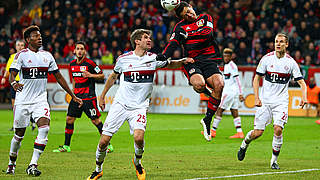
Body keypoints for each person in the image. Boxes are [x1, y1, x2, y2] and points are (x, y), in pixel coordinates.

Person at [87, 29, 194, 180]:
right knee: (104, 140)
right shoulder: (124, 59)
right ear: (137, 41)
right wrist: (102, 96)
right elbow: (112, 76)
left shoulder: (153, 58)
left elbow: (169, 64)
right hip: (121, 104)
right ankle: (98, 169)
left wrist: (183, 61)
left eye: (149, 37)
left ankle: (137, 162)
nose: (149, 39)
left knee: (138, 138)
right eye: (145, 37)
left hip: (139, 106)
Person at [5, 25, 83, 176]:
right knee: (19, 135)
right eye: (35, 36)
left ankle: (33, 164)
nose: (39, 37)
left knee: (45, 128)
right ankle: (11, 163)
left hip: (40, 100)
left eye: (40, 35)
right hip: (23, 101)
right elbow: (11, 74)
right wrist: (14, 83)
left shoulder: (47, 56)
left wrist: (72, 95)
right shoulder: (20, 56)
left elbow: (59, 77)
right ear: (28, 40)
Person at [237, 33, 307, 169]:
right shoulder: (267, 59)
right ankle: (245, 143)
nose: (278, 44)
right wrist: (256, 97)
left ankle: (273, 161)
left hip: (281, 102)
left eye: (281, 42)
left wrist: (304, 97)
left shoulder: (291, 63)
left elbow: (302, 83)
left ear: (286, 44)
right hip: (265, 101)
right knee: (257, 133)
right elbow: (256, 79)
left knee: (278, 129)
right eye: (276, 41)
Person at [157, 1, 224, 141]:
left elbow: (207, 33)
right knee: (199, 84)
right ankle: (205, 90)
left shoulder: (205, 18)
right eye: (185, 15)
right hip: (191, 61)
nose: (189, 15)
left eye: (188, 11)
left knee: (219, 85)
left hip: (210, 59)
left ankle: (207, 120)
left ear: (192, 7)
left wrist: (188, 36)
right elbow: (173, 43)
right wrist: (163, 55)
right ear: (182, 18)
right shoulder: (180, 27)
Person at [53, 41, 113, 153]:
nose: (80, 51)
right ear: (74, 51)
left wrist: (90, 75)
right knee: (69, 119)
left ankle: (108, 145)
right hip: (77, 97)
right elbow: (75, 79)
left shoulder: (90, 64)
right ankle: (66, 146)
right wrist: (73, 94)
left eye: (82, 49)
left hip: (88, 97)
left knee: (96, 121)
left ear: (85, 51)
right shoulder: (72, 65)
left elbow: (102, 75)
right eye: (78, 49)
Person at [201, 48, 245, 138]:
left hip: (229, 92)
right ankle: (240, 132)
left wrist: (241, 93)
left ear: (231, 57)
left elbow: (237, 80)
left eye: (227, 56)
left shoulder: (232, 66)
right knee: (234, 111)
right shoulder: (226, 66)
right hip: (232, 92)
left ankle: (213, 131)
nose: (225, 58)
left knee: (219, 109)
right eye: (224, 56)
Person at [1, 40, 36, 131]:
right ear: (15, 47)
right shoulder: (12, 57)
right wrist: (4, 77)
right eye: (18, 45)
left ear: (24, 46)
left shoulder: (27, 56)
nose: (20, 47)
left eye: (22, 45)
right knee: (15, 105)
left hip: (25, 84)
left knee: (27, 105)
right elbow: (8, 69)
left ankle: (32, 120)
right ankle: (15, 124)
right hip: (15, 83)